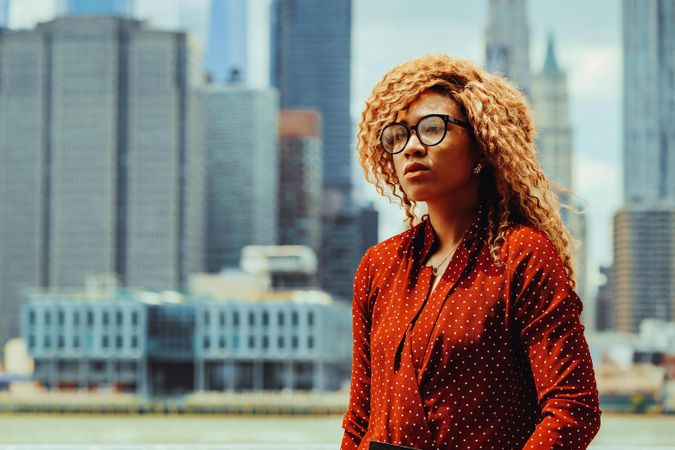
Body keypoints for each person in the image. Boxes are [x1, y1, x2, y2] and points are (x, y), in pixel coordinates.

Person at [340, 54, 602, 450]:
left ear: (481, 145)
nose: (410, 147)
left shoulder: (522, 254)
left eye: (432, 129)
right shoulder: (379, 266)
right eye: (397, 135)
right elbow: (360, 415)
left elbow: (573, 407)